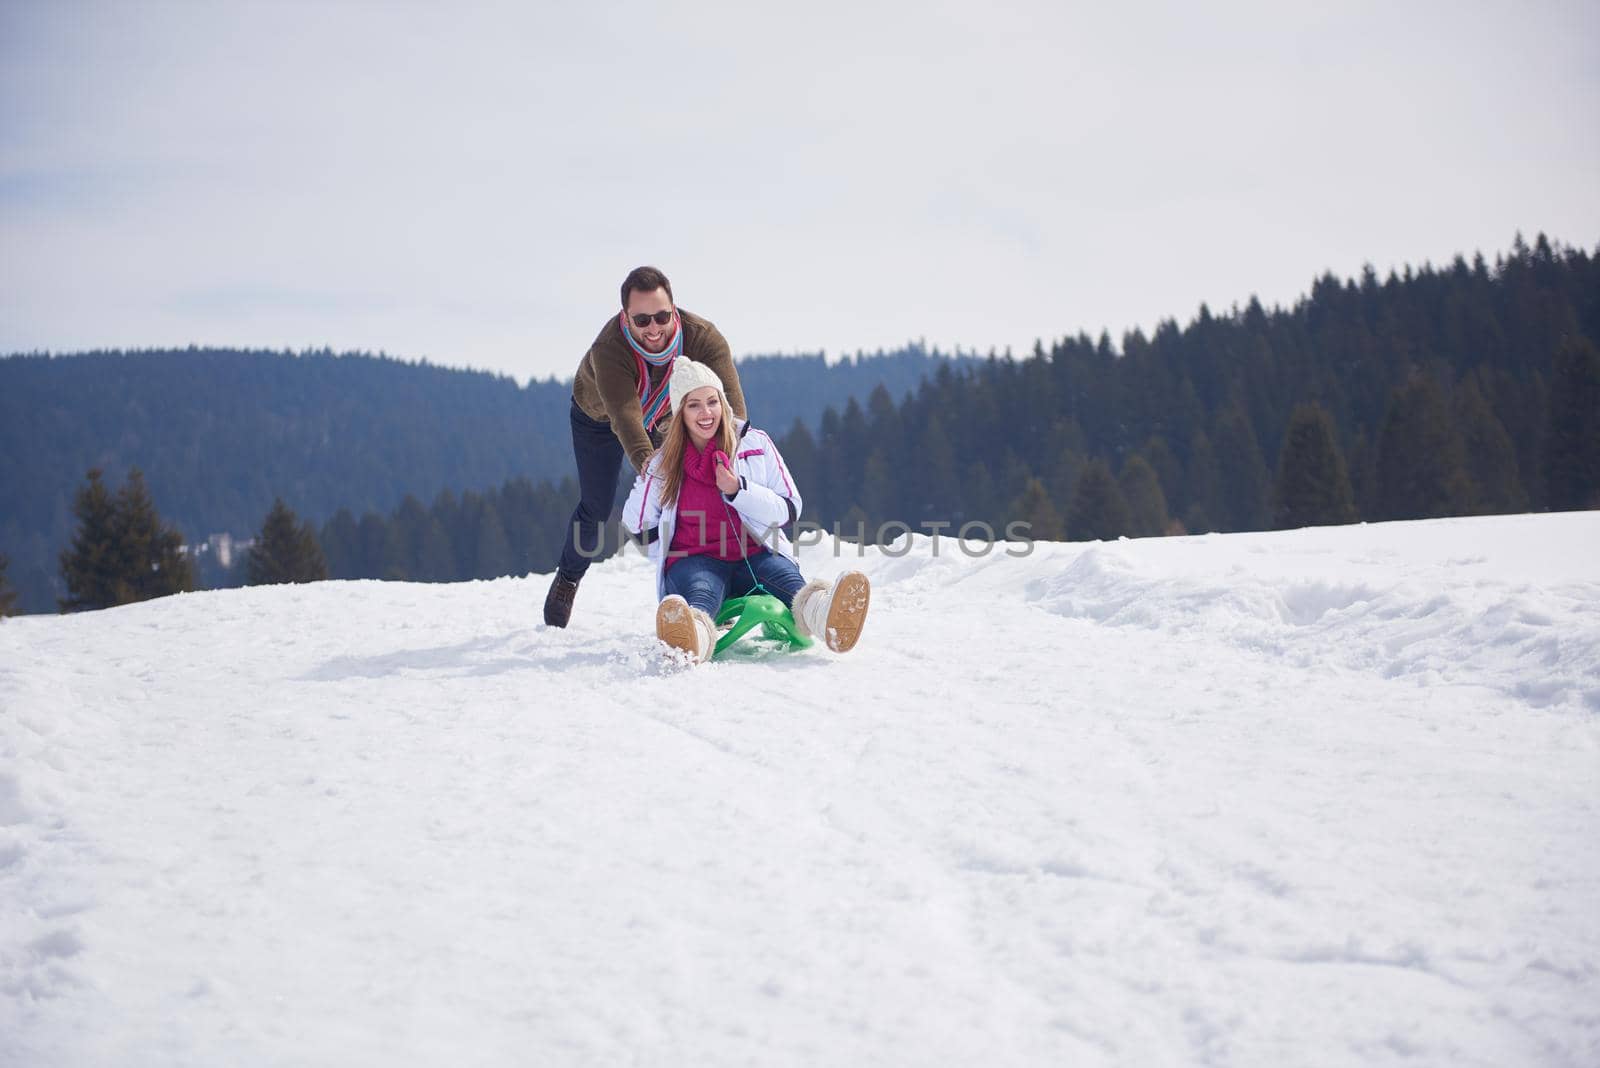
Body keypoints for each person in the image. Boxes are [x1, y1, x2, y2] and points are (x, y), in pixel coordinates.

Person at [621, 358, 870, 663]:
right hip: (696, 561)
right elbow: (638, 528)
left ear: (723, 403)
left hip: (756, 554)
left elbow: (789, 509)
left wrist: (738, 490)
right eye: (694, 405)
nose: (706, 413)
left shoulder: (754, 443)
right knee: (701, 593)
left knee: (789, 583)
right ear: (680, 413)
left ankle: (827, 616)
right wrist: (668, 546)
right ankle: (689, 642)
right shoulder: (665, 463)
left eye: (712, 402)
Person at [543, 266, 747, 627]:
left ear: (674, 309)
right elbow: (625, 416)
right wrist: (650, 465)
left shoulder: (703, 337)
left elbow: (731, 408)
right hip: (600, 419)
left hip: (667, 415)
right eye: (641, 320)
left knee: (697, 492)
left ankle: (711, 585)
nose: (653, 328)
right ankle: (568, 579)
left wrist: (733, 457)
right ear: (626, 317)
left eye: (661, 316)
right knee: (597, 506)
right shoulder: (609, 348)